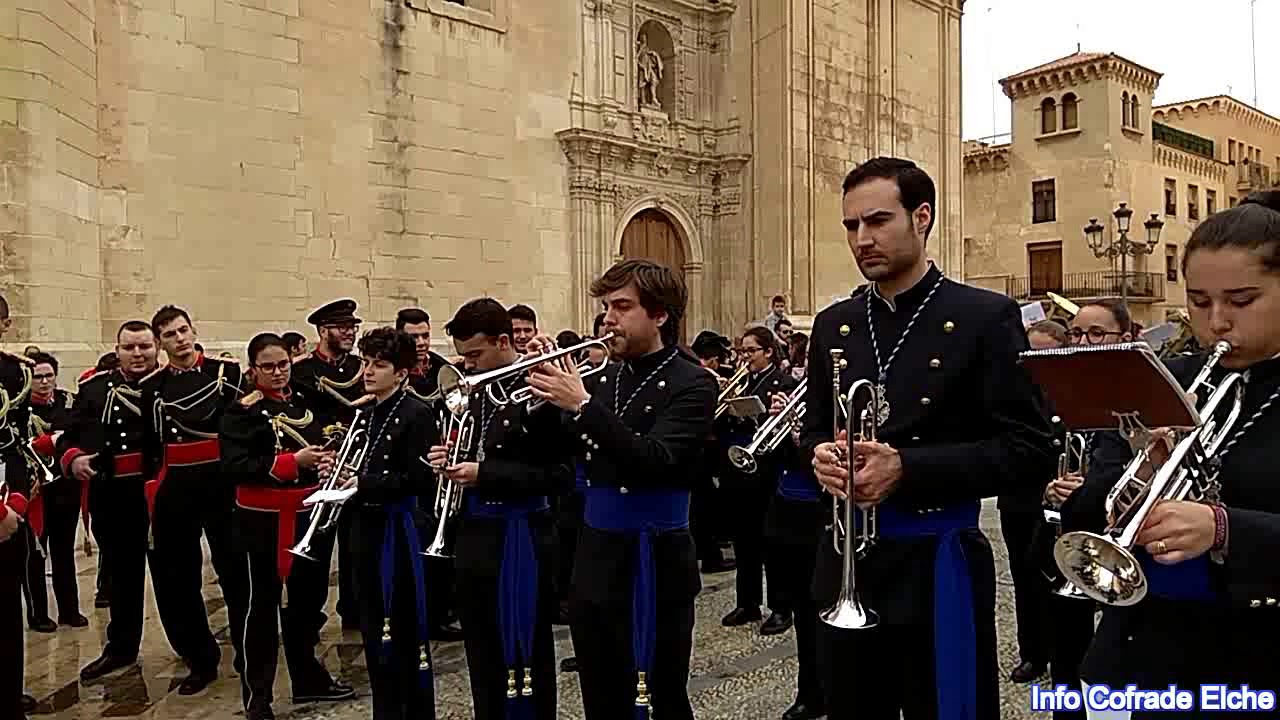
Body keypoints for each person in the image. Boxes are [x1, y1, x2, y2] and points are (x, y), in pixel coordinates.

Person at [802, 157, 1057, 719]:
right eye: (851, 226)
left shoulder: (984, 316)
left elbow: (1030, 448)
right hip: (847, 559)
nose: (862, 239)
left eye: (877, 221)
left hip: (936, 561)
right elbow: (813, 426)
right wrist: (818, 455)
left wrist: (908, 468)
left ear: (922, 218)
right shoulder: (833, 322)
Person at [1062, 191, 1280, 719]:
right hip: (1138, 657)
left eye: (1242, 300)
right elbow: (1088, 508)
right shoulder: (1164, 377)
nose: (1217, 322)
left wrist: (1225, 529)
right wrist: (1130, 486)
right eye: (1200, 301)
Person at [524, 258, 717, 720]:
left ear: (660, 315)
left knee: (659, 690)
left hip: (656, 556)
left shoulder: (694, 383)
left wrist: (582, 405)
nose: (607, 318)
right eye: (606, 306)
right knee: (600, 689)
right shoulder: (605, 379)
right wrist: (542, 393)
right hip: (597, 554)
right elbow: (560, 452)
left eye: (621, 306)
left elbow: (655, 459)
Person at [428, 298, 571, 720]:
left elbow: (559, 475)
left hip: (522, 533)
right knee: (481, 645)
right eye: (464, 357)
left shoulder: (539, 388)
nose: (468, 366)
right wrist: (445, 459)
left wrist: (485, 474)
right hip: (473, 531)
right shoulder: (469, 391)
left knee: (525, 643)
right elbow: (470, 446)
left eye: (475, 354)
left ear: (504, 340)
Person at [222, 333, 354, 720]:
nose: (278, 373)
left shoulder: (306, 399)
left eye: (283, 364)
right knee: (259, 610)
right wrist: (291, 462)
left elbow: (330, 433)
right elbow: (234, 466)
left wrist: (330, 461)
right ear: (252, 370)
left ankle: (307, 676)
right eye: (268, 367)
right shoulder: (240, 412)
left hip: (307, 516)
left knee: (306, 606)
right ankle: (257, 694)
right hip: (260, 523)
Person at [333, 327, 439, 720]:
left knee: (402, 628)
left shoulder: (417, 413)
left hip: (398, 530)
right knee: (374, 625)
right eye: (365, 363)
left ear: (401, 372)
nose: (368, 372)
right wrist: (340, 471)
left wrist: (363, 482)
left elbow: (419, 479)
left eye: (379, 365)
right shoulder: (367, 411)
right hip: (366, 527)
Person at [148, 305, 249, 692]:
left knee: (236, 570)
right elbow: (151, 446)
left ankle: (246, 646)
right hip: (178, 486)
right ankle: (200, 660)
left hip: (223, 481)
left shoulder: (228, 375)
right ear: (161, 343)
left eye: (184, 330)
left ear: (193, 330)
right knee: (180, 577)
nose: (180, 339)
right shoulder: (153, 389)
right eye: (171, 335)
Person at [61, 321, 167, 683]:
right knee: (121, 579)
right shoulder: (93, 389)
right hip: (114, 497)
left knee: (174, 579)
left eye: (145, 347)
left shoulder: (172, 384)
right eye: (129, 347)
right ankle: (120, 648)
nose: (138, 354)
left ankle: (196, 651)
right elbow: (68, 434)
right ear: (117, 350)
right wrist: (74, 459)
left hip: (160, 496)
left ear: (157, 348)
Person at [291, 299, 365, 629]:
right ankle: (309, 615)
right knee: (318, 546)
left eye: (352, 327)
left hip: (355, 465)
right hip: (318, 465)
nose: (349, 332)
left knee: (355, 545)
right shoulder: (302, 371)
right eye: (342, 327)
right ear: (323, 331)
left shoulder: (360, 368)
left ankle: (354, 608)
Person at [720, 326, 797, 635]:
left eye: (751, 350)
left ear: (767, 351)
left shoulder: (783, 382)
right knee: (744, 539)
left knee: (773, 542)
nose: (745, 357)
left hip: (768, 471)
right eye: (743, 351)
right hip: (741, 470)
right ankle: (747, 601)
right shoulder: (741, 381)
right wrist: (730, 407)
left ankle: (781, 607)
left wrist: (760, 416)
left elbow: (786, 430)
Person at [24, 351, 86, 628]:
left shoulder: (69, 402)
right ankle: (38, 613)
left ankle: (69, 610)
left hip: (65, 486)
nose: (45, 382)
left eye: (49, 376)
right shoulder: (18, 407)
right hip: (35, 490)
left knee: (64, 552)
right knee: (36, 554)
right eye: (38, 377)